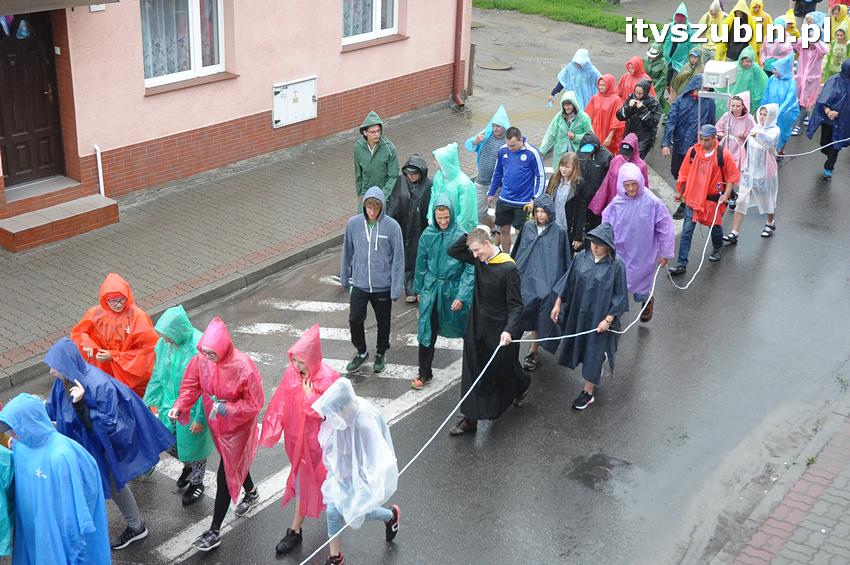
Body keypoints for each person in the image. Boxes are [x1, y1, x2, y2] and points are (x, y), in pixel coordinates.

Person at [44, 337, 175, 550]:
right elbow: (54, 409)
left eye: (54, 366)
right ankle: (128, 527)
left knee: (113, 484)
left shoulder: (97, 384)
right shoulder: (64, 381)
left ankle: (134, 527)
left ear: (66, 365)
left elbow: (109, 424)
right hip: (85, 445)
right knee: (105, 485)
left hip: (100, 447)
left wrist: (81, 408)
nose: (51, 371)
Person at [170, 316, 265, 552]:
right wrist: (180, 405)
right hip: (215, 420)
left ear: (223, 348)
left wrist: (228, 408)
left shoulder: (243, 365)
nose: (208, 357)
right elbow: (191, 385)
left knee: (225, 473)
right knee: (233, 463)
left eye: (212, 353)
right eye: (205, 352)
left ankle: (214, 531)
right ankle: (251, 493)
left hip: (238, 427)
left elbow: (255, 403)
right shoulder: (201, 360)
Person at [0, 393, 111, 564]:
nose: (11, 433)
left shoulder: (62, 456)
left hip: (58, 537)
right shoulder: (21, 445)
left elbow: (79, 510)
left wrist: (75, 548)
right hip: (34, 531)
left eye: (14, 427)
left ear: (31, 421)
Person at [260, 324, 340, 556]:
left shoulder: (330, 379)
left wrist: (310, 397)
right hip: (299, 447)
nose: (296, 366)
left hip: (325, 450)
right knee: (304, 485)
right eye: (294, 360)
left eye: (301, 362)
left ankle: (386, 515)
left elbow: (337, 415)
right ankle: (295, 530)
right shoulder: (292, 374)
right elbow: (281, 403)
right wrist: (272, 430)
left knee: (344, 497)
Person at [446, 229, 530, 436]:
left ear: (486, 243)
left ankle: (522, 384)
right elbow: (453, 250)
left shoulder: (508, 268)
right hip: (476, 325)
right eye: (472, 251)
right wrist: (470, 233)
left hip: (500, 330)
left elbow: (516, 305)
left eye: (476, 250)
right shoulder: (479, 259)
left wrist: (509, 330)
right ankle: (470, 418)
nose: (474, 256)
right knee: (472, 371)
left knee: (503, 369)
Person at [312, 378, 400, 565]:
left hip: (358, 477)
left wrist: (368, 483)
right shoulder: (341, 416)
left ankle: (389, 515)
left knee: (354, 512)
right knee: (333, 512)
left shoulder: (364, 423)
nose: (332, 418)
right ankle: (335, 556)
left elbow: (375, 457)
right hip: (341, 472)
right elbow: (330, 441)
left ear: (344, 407)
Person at [550, 223, 628, 410]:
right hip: (580, 314)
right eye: (593, 241)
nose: (595, 246)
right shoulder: (581, 258)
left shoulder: (616, 266)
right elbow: (568, 282)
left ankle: (588, 391)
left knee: (594, 351)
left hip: (599, 319)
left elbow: (620, 296)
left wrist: (608, 320)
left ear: (608, 246)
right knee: (582, 347)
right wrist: (558, 303)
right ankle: (594, 369)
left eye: (600, 243)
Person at [143, 305, 214, 505]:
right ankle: (188, 465)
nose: (165, 339)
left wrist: (200, 417)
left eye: (167, 335)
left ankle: (197, 481)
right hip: (169, 404)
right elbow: (158, 374)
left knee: (195, 446)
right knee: (168, 440)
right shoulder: (164, 344)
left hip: (193, 408)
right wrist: (148, 402)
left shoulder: (199, 347)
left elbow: (207, 388)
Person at [340, 187, 404, 373]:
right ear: (364, 206)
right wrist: (345, 277)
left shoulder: (392, 227)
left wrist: (396, 287)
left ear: (382, 207)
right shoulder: (353, 224)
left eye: (376, 208)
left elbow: (398, 258)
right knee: (355, 319)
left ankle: (381, 352)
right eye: (369, 208)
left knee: (383, 322)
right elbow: (347, 251)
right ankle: (361, 351)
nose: (372, 212)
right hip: (360, 282)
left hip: (382, 285)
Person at [412, 197, 474, 390]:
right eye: (439, 218)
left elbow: (470, 269)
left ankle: (474, 371)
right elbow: (420, 263)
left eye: (446, 217)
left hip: (453, 289)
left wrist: (462, 295)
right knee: (426, 329)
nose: (443, 221)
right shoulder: (428, 235)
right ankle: (424, 372)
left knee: (467, 330)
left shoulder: (462, 235)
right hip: (432, 288)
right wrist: (419, 289)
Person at [601, 163, 674, 322]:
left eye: (634, 184)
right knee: (617, 286)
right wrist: (604, 244)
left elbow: (665, 227)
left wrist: (665, 252)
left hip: (643, 251)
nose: (631, 189)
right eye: (627, 185)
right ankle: (614, 320)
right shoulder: (617, 202)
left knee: (640, 285)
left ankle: (646, 300)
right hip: (620, 251)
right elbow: (606, 223)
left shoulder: (652, 202)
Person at [71, 272, 158, 397]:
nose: (118, 304)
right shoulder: (95, 314)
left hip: (131, 380)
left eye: (122, 300)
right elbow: (80, 333)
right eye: (113, 301)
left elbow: (149, 352)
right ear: (105, 300)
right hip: (104, 373)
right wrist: (87, 343)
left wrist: (114, 356)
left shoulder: (137, 317)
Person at [668, 124, 740, 274]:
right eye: (701, 139)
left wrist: (726, 196)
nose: (703, 143)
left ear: (714, 139)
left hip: (711, 200)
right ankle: (682, 264)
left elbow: (732, 176)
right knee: (687, 231)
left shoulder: (723, 154)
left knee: (714, 226)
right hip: (693, 199)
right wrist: (680, 192)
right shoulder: (693, 152)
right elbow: (684, 173)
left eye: (706, 140)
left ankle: (717, 247)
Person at [511, 195, 571, 372]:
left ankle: (533, 350)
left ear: (550, 213)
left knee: (540, 313)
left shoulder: (559, 232)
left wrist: (560, 288)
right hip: (525, 279)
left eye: (543, 212)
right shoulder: (528, 227)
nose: (540, 215)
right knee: (519, 313)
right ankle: (512, 348)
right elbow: (518, 253)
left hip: (546, 284)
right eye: (537, 211)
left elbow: (564, 262)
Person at [723, 104, 781, 242]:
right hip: (750, 171)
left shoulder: (775, 130)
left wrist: (758, 135)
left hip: (765, 171)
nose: (762, 117)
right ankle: (734, 232)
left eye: (765, 115)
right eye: (760, 114)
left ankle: (770, 223)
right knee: (741, 199)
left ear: (771, 116)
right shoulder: (756, 128)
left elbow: (769, 142)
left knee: (767, 199)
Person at [487, 127, 546, 252]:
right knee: (503, 229)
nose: (510, 148)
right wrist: (491, 192)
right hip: (505, 199)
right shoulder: (503, 150)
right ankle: (506, 257)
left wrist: (535, 198)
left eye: (513, 145)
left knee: (521, 233)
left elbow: (540, 176)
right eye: (508, 144)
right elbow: (497, 172)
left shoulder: (532, 153)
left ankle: (522, 258)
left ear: (521, 140)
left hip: (523, 202)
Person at [387, 155, 432, 303]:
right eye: (409, 174)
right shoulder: (401, 182)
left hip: (421, 228)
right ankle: (410, 289)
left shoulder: (428, 185)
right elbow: (393, 204)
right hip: (404, 227)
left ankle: (421, 287)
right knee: (407, 260)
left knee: (421, 259)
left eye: (414, 174)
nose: (411, 177)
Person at [662, 74, 717, 197]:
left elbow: (711, 122)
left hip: (696, 145)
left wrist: (711, 144)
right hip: (680, 142)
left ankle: (685, 199)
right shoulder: (681, 100)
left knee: (691, 174)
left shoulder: (709, 102)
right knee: (676, 171)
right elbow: (671, 121)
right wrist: (665, 143)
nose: (705, 92)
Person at [465, 105, 510, 229]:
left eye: (498, 126)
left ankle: (499, 239)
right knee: (478, 213)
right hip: (481, 181)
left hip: (498, 185)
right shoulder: (486, 134)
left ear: (505, 126)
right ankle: (493, 229)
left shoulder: (508, 141)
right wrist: (476, 141)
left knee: (499, 214)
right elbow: (468, 145)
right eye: (494, 125)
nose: (495, 128)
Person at [806, 60, 850, 179]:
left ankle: (828, 168)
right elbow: (823, 99)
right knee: (824, 144)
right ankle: (829, 156)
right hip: (829, 120)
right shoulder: (834, 80)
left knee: (836, 144)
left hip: (844, 121)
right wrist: (828, 111)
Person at [588, 132, 649, 217]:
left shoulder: (641, 166)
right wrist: (598, 204)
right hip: (613, 203)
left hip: (631, 208)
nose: (625, 156)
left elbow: (644, 189)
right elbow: (606, 183)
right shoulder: (616, 160)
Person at [428, 142, 478, 233]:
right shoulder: (439, 176)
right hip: (442, 226)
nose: (434, 162)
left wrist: (452, 231)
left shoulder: (464, 184)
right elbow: (433, 198)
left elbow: (465, 214)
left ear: (445, 161)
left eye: (437, 160)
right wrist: (431, 218)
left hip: (460, 232)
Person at [792, 12, 829, 136]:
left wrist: (815, 39)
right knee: (801, 100)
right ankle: (806, 116)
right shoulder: (804, 44)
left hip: (812, 80)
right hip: (801, 77)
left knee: (805, 102)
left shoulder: (820, 47)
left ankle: (797, 125)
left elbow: (824, 50)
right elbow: (794, 44)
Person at [574, 132, 613, 245]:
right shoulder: (580, 153)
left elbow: (608, 180)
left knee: (595, 227)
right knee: (581, 223)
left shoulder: (606, 156)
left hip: (597, 199)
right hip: (582, 197)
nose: (588, 153)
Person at [354, 111, 399, 204]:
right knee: (362, 218)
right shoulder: (358, 147)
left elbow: (393, 176)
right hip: (366, 193)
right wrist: (359, 194)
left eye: (378, 131)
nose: (377, 134)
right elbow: (358, 174)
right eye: (373, 132)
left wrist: (383, 195)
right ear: (365, 133)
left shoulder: (390, 149)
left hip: (384, 195)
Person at [540, 91, 593, 168]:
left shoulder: (583, 117)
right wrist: (542, 151)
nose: (567, 107)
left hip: (576, 155)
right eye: (565, 105)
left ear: (574, 104)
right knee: (560, 176)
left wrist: (575, 137)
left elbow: (590, 135)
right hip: (560, 154)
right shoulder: (559, 117)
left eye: (569, 104)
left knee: (575, 177)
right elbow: (550, 134)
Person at [761, 52, 800, 153]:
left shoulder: (791, 83)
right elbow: (766, 93)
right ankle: (770, 151)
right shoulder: (772, 79)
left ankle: (781, 150)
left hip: (785, 114)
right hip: (771, 112)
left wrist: (778, 111)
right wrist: (763, 107)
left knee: (783, 133)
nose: (773, 71)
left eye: (775, 69)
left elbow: (789, 99)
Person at [715, 46, 768, 118]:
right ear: (741, 60)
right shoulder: (733, 67)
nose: (749, 64)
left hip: (747, 99)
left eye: (750, 61)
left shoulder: (754, 67)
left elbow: (763, 82)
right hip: (733, 99)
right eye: (747, 61)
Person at [616, 80, 662, 158]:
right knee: (623, 157)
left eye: (640, 93)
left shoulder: (653, 102)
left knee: (636, 159)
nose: (638, 95)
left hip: (644, 137)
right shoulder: (631, 97)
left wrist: (642, 109)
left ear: (646, 92)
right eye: (636, 92)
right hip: (629, 133)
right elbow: (620, 116)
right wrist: (628, 107)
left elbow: (653, 122)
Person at [716, 92, 756, 177]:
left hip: (741, 149)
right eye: (733, 105)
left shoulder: (749, 119)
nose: (735, 108)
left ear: (743, 106)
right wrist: (722, 135)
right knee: (725, 171)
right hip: (726, 147)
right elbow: (718, 129)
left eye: (738, 106)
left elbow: (755, 134)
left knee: (739, 173)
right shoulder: (727, 116)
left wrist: (745, 136)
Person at [586, 74, 626, 155]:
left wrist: (610, 136)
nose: (601, 87)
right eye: (600, 85)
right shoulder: (595, 98)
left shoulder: (616, 100)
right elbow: (588, 116)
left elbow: (617, 121)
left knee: (606, 154)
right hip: (595, 131)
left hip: (607, 132)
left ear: (609, 85)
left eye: (603, 85)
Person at [545, 152, 581, 236]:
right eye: (562, 166)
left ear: (574, 168)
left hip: (567, 227)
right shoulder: (554, 178)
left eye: (567, 167)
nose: (563, 169)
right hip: (551, 224)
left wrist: (577, 235)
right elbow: (546, 199)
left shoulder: (578, 184)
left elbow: (580, 211)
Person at [663, 3, 695, 90]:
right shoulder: (669, 27)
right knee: (666, 83)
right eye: (678, 17)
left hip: (681, 62)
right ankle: (672, 99)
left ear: (685, 18)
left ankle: (673, 100)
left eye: (682, 17)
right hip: (668, 60)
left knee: (675, 85)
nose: (679, 20)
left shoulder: (691, 30)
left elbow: (695, 46)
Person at [644, 43, 671, 113]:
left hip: (657, 84)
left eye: (654, 56)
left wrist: (654, 89)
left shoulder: (663, 63)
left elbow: (663, 79)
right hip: (645, 82)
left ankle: (667, 112)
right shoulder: (646, 59)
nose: (651, 57)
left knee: (655, 100)